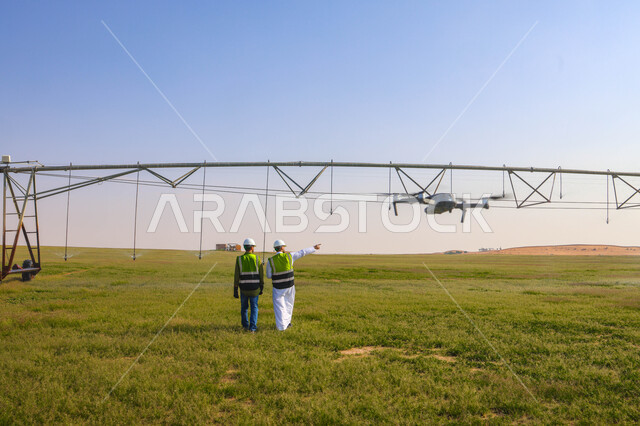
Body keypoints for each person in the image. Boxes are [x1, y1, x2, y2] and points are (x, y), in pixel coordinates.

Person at [266, 239, 321, 331]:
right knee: (289, 304)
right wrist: (314, 248)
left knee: (279, 307)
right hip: (290, 286)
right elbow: (302, 252)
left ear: (275, 249)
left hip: (278, 287)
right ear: (282, 247)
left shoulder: (270, 261)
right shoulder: (289, 256)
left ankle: (281, 327)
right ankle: (287, 323)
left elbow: (268, 276)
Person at [233, 238, 264, 332]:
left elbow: (236, 275)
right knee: (254, 308)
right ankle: (253, 328)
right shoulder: (257, 258)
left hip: (243, 289)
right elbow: (261, 274)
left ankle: (245, 326)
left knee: (244, 308)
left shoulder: (239, 259)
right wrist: (261, 286)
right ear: (252, 247)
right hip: (255, 289)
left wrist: (235, 289)